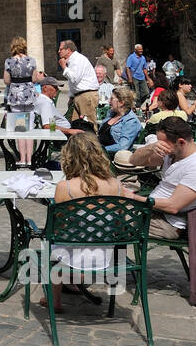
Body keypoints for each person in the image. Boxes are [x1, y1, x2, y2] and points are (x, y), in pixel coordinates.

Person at [42, 133, 139, 311]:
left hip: (74, 255)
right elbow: (119, 225)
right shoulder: (116, 185)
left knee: (50, 242)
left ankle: (54, 301)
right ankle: (71, 283)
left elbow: (57, 228)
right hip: (105, 254)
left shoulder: (66, 187)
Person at [126, 116, 196, 239]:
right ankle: (116, 257)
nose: (160, 146)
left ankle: (116, 257)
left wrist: (132, 197)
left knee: (112, 220)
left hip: (170, 223)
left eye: (163, 144)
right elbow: (133, 160)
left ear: (181, 142)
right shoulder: (172, 154)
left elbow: (173, 206)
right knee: (108, 212)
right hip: (153, 211)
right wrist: (151, 147)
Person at [57, 39, 99, 122]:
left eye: (61, 49)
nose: (58, 51)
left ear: (68, 50)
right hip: (78, 96)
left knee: (88, 124)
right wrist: (72, 96)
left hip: (86, 96)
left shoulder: (77, 59)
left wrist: (64, 67)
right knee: (75, 124)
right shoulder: (72, 60)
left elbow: (74, 78)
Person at [98, 87, 142, 154]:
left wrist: (100, 150)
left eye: (112, 99)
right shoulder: (111, 114)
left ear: (121, 103)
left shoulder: (131, 121)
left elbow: (123, 146)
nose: (109, 101)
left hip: (111, 155)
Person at [3, 36, 38, 116]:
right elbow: (34, 79)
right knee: (30, 118)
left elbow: (6, 81)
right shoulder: (32, 60)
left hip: (15, 95)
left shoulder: (9, 61)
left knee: (17, 120)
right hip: (29, 93)